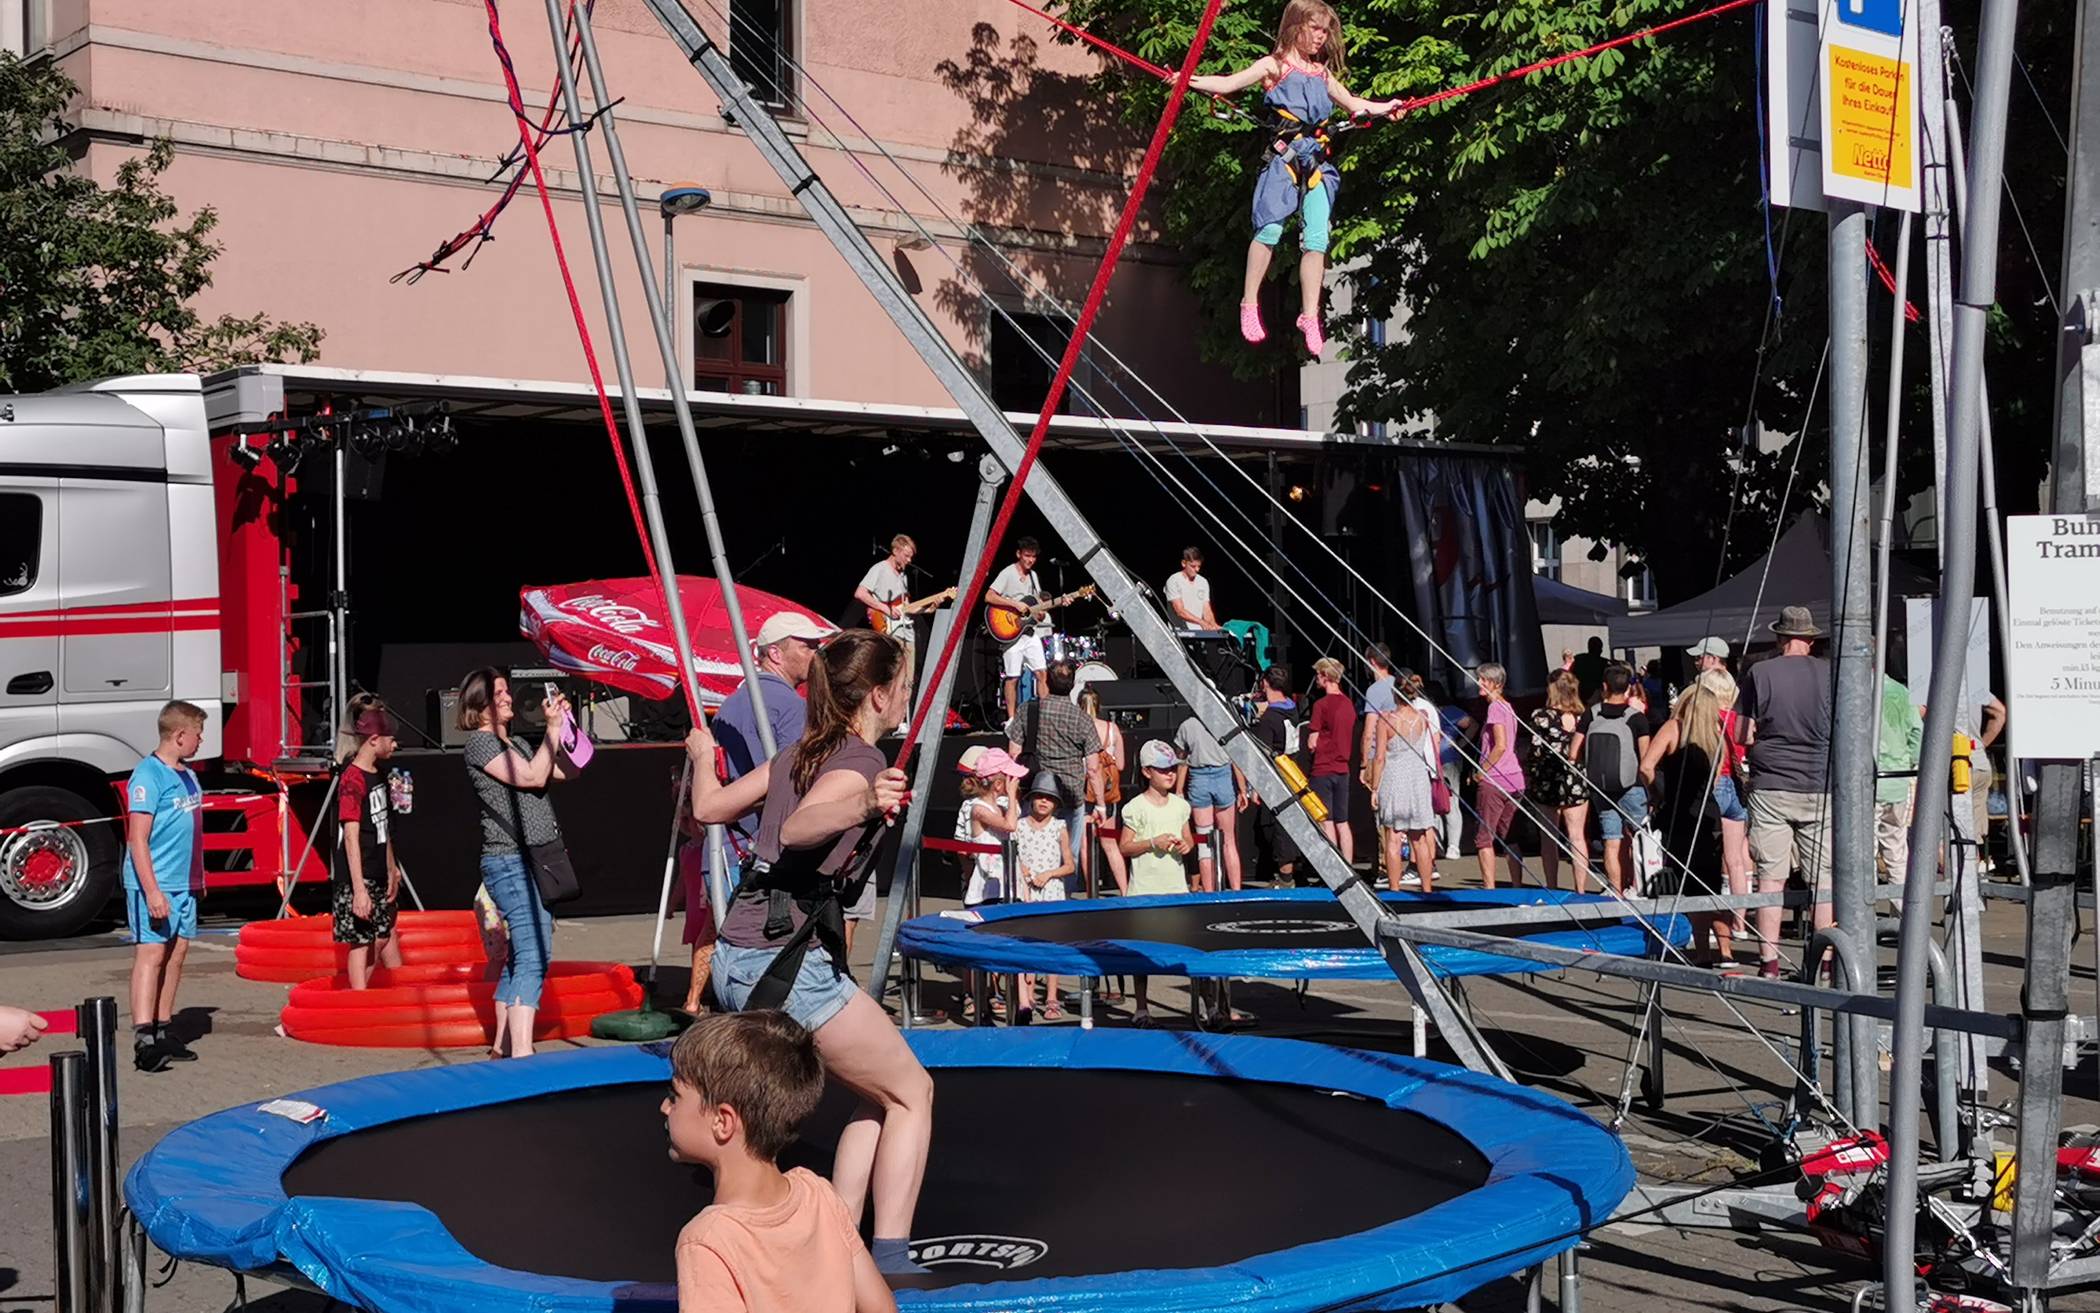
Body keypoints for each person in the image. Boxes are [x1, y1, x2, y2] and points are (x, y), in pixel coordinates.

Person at [684, 629, 927, 1272]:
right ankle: (892, 1253)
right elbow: (799, 826)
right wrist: (863, 801)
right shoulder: (861, 765)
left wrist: (704, 754)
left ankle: (842, 1234)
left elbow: (709, 806)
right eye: (901, 688)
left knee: (876, 1092)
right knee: (913, 1091)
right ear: (877, 695)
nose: (906, 698)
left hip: (739, 957)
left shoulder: (795, 752)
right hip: (785, 964)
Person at [1189, 0, 1402, 355]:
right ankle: (1249, 303)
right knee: (1269, 229)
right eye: (1314, 29)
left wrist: (1388, 107)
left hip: (1317, 162)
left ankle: (1309, 315)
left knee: (1317, 240)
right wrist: (1186, 81)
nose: (1321, 37)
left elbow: (1354, 104)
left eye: (1325, 31)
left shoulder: (1322, 74)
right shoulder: (1275, 66)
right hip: (1284, 159)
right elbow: (1227, 84)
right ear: (1295, 27)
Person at [665, 1012, 897, 1313]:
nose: (664, 1107)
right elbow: (882, 1308)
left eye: (675, 1096)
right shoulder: (819, 1195)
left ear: (723, 1122)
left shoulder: (708, 1240)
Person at [460, 668, 583, 1059]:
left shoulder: (515, 743)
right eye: (499, 693)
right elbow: (531, 778)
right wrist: (548, 731)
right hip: (510, 861)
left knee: (521, 956)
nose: (508, 697)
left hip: (529, 861)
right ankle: (523, 1058)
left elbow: (569, 769)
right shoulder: (480, 746)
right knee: (534, 954)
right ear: (480, 704)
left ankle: (503, 1048)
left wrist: (567, 729)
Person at [1739, 605, 1834, 979]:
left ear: (1780, 639)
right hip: (1820, 783)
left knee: (1771, 877)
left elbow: (1742, 734)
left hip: (1772, 782)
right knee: (1823, 879)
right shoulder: (1831, 674)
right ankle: (1826, 962)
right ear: (1809, 641)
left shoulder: (1759, 673)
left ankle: (1770, 962)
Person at [124, 700, 208, 1073]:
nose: (201, 740)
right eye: (197, 734)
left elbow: (193, 832)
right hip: (154, 883)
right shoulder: (148, 776)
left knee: (177, 953)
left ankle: (163, 1028)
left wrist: (197, 879)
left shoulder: (189, 776)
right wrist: (152, 891)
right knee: (152, 954)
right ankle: (144, 1038)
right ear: (178, 736)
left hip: (184, 883)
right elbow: (137, 839)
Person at [1642, 682, 1730, 965]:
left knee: (1685, 885)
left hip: (1679, 816)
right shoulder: (1714, 736)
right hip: (1707, 815)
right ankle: (1724, 951)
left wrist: (1658, 791)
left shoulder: (1673, 728)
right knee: (1711, 887)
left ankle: (1699, 950)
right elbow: (1715, 779)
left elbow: (1645, 766)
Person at [1004, 659, 1104, 877]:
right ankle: (1063, 898)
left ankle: (1030, 891)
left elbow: (1014, 754)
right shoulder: (1083, 718)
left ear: (1046, 680)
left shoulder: (1028, 710)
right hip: (1071, 794)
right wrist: (1101, 804)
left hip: (1036, 790)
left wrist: (1010, 793)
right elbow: (1094, 769)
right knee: (1069, 855)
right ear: (1073, 684)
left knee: (1030, 849)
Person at [1119, 740, 1195, 1026]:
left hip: (1176, 888)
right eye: (1163, 769)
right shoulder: (1134, 807)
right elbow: (1124, 847)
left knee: (1187, 948)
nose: (1170, 774)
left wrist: (1185, 846)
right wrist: (1153, 842)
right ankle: (1141, 1007)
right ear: (1148, 771)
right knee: (1141, 952)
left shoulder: (1180, 806)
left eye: (1173, 768)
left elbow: (1187, 838)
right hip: (1145, 890)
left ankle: (1202, 1005)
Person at [335, 706, 404, 990]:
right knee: (361, 941)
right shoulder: (352, 778)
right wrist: (359, 890)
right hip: (357, 873)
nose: (395, 744)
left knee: (383, 934)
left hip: (376, 868)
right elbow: (351, 834)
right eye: (390, 738)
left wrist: (391, 867)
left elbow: (382, 827)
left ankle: (366, 990)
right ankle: (357, 1000)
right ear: (374, 739)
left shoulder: (379, 775)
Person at [1579, 664, 1653, 897]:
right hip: (1632, 786)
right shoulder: (1637, 719)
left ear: (1604, 687)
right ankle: (1638, 886)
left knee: (1612, 840)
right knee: (1640, 838)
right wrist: (1652, 789)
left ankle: (1615, 890)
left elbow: (1573, 752)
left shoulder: (1591, 713)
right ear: (1629, 689)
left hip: (1601, 787)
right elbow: (1646, 759)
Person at [1013, 771, 1076, 1020]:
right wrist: (1022, 869)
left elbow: (1069, 865)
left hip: (1051, 890)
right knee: (1026, 942)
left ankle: (1051, 996)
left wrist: (1049, 874)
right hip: (1026, 890)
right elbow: (1013, 855)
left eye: (1048, 798)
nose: (1043, 802)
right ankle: (1026, 995)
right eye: (1039, 796)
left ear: (1056, 804)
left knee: (1052, 944)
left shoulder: (1059, 827)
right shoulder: (1019, 826)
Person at [1701, 668, 1755, 947]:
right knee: (1736, 858)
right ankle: (1740, 922)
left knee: (1710, 856)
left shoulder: (1708, 719)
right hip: (1739, 785)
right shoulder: (1739, 720)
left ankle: (1714, 920)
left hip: (1717, 783)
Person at [1368, 684, 1438, 892]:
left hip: (1394, 778)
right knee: (1419, 838)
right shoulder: (1423, 716)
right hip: (1417, 778)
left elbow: (1379, 757)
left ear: (1394, 694)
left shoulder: (1386, 720)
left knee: (1393, 837)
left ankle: (1395, 888)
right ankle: (1427, 889)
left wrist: (1374, 788)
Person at [1526, 672, 1590, 892]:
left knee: (1548, 837)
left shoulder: (1541, 716)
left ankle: (1552, 885)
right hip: (1576, 778)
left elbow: (1535, 749)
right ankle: (1580, 888)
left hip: (1548, 778)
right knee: (1577, 836)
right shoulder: (1584, 716)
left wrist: (1530, 771)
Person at [1175, 712, 1249, 892]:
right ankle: (1236, 891)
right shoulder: (1224, 721)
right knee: (1229, 840)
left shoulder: (1187, 725)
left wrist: (1178, 790)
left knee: (1204, 843)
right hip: (1222, 775)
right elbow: (1235, 760)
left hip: (1198, 778)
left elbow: (1182, 760)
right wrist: (1242, 789)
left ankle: (1209, 893)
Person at [1471, 664, 1526, 890]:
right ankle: (1516, 885)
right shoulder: (1508, 707)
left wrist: (1481, 769)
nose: (1479, 683)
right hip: (1515, 778)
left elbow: (1501, 745)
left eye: (1484, 680)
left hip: (1496, 779)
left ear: (1497, 684)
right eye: (1479, 679)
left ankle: (1489, 887)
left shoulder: (1495, 708)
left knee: (1485, 837)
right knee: (1510, 835)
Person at [1250, 664, 1304, 887]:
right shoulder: (1293, 709)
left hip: (1277, 777)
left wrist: (1254, 787)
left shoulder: (1270, 718)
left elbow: (1262, 754)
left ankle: (1285, 877)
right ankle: (1290, 872)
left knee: (1278, 827)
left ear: (1265, 684)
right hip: (1295, 772)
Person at [987, 537, 1050, 722]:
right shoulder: (1007, 573)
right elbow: (989, 596)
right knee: (1013, 677)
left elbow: (1037, 605)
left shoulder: (1034, 576)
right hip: (1011, 633)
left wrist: (1040, 613)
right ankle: (1011, 719)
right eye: (1027, 556)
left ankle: (1046, 717)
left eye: (1033, 557)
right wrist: (1014, 603)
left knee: (1042, 673)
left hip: (1029, 633)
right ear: (1019, 554)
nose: (1030, 560)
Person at [1303, 657, 1358, 866]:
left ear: (1325, 676)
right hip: (1343, 768)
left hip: (1323, 767)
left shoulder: (1321, 705)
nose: (1317, 678)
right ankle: (1349, 865)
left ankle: (1334, 866)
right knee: (1343, 822)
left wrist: (1312, 741)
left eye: (1318, 675)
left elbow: (1312, 742)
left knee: (1327, 821)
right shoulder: (1349, 705)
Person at [1076, 686, 1130, 895]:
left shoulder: (1078, 729)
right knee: (1110, 844)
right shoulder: (1111, 729)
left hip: (1083, 791)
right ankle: (1124, 891)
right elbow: (1122, 765)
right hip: (1107, 793)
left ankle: (1091, 891)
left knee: (1084, 845)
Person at [1875, 668, 1924, 882]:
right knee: (1896, 849)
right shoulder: (1902, 692)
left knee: (1863, 851)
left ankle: (1863, 910)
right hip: (1898, 780)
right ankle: (1901, 910)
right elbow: (1918, 733)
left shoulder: (1854, 692)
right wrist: (1909, 760)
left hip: (1867, 781)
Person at [851, 534, 917, 632]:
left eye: (911, 557)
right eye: (906, 556)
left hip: (905, 628)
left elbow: (906, 606)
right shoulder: (880, 568)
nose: (909, 560)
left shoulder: (904, 576)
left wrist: (929, 609)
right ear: (895, 551)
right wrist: (886, 608)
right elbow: (860, 593)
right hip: (888, 626)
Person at [1163, 546, 1218, 630]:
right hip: (1179, 634)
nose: (1197, 569)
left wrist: (1214, 625)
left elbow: (1206, 609)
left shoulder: (1203, 582)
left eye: (1199, 566)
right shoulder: (1173, 581)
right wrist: (1201, 622)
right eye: (1193, 566)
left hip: (1200, 632)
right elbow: (1180, 611)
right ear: (1184, 563)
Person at [1571, 637, 1608, 703]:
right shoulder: (1603, 663)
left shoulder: (1578, 659)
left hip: (1580, 694)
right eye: (1599, 647)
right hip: (1594, 695)